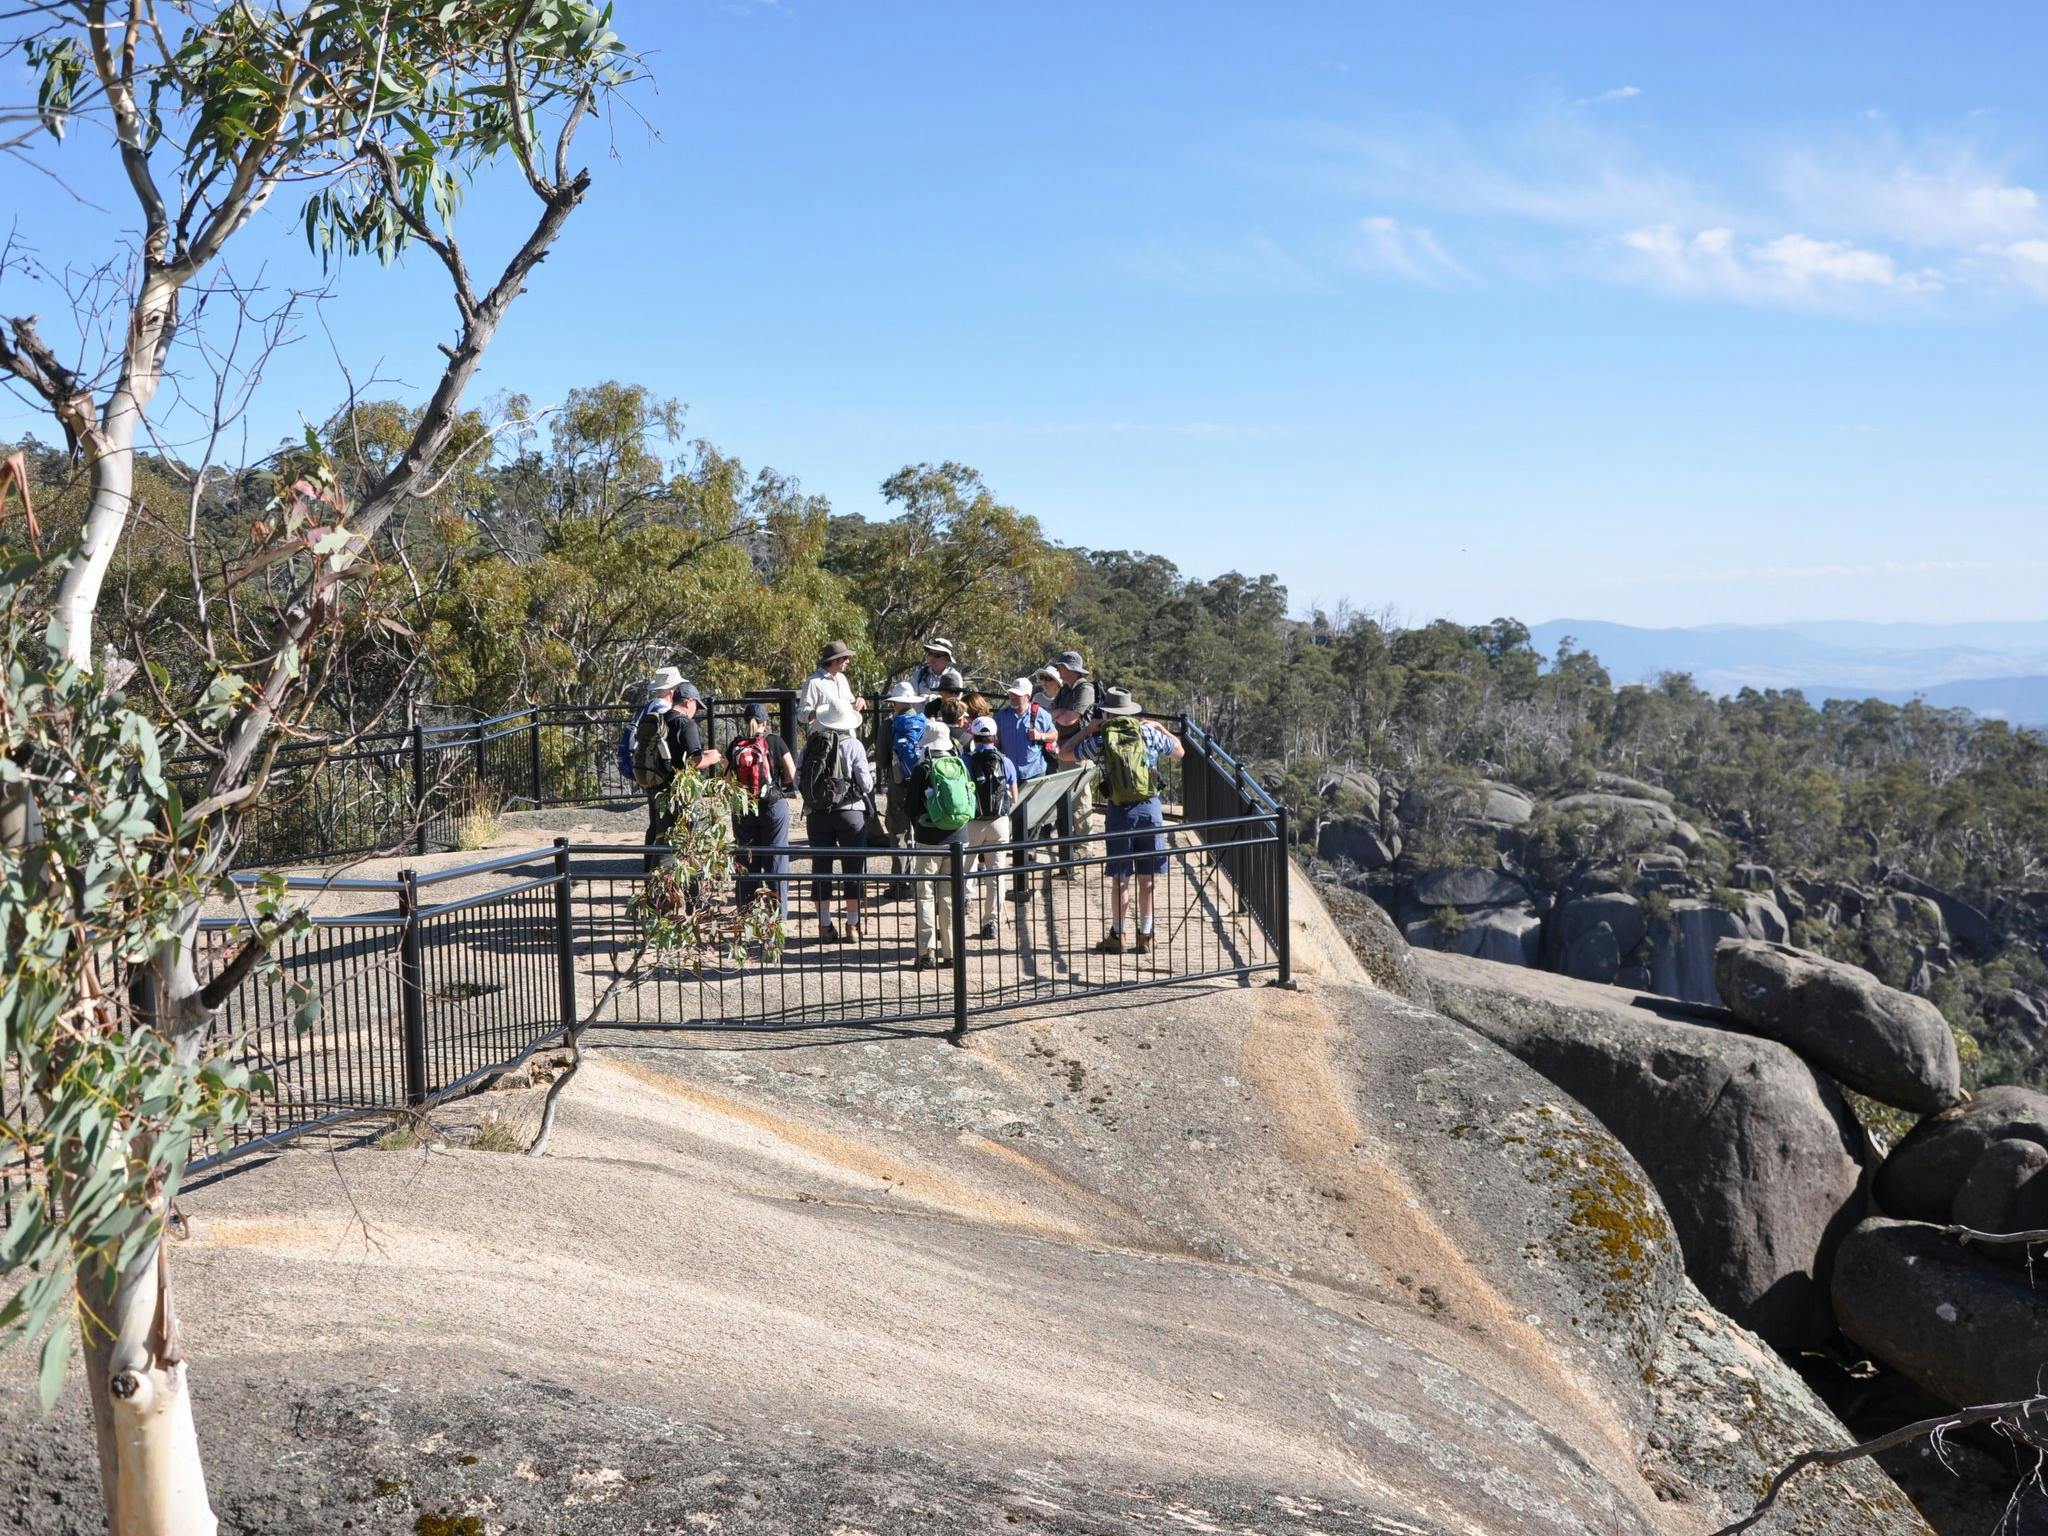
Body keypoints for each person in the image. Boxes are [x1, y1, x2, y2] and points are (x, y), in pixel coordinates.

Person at [1058, 685, 1184, 956]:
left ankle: (1118, 934)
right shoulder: (1147, 732)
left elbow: (1065, 753)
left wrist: (1087, 730)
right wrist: (1161, 727)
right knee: (1147, 877)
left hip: (1119, 810)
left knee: (1120, 876)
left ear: (1105, 713)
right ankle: (1146, 935)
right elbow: (1179, 751)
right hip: (1150, 809)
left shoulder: (1101, 740)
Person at [794, 695, 875, 942]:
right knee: (853, 868)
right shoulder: (854, 745)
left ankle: (824, 926)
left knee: (821, 867)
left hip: (817, 814)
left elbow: (799, 780)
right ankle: (852, 926)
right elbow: (867, 784)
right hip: (850, 812)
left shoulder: (811, 744)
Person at [631, 671, 721, 871]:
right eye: (696, 705)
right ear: (688, 701)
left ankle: (653, 884)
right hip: (678, 794)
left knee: (661, 835)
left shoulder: (661, 719)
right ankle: (679, 888)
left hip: (658, 787)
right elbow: (694, 761)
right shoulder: (685, 724)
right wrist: (712, 758)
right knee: (684, 839)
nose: (696, 710)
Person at [905, 719, 976, 969]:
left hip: (928, 840)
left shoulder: (922, 768)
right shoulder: (961, 765)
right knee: (950, 897)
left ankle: (926, 951)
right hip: (958, 840)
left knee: (925, 894)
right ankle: (952, 951)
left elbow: (910, 807)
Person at [726, 702, 797, 919]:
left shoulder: (736, 745)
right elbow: (791, 774)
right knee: (777, 862)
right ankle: (777, 918)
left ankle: (746, 916)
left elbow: (727, 780)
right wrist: (776, 785)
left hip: (744, 809)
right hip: (772, 807)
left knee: (746, 863)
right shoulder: (775, 741)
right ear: (765, 723)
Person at [963, 715, 1019, 940]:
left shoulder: (965, 761)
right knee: (996, 874)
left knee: (964, 871)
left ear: (974, 737)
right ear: (994, 738)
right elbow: (1014, 797)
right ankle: (990, 923)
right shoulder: (1005, 761)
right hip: (999, 823)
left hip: (972, 823)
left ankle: (959, 915)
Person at [995, 677, 1057, 880]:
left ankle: (1027, 848)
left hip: (1034, 772)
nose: (1012, 697)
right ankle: (1018, 846)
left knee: (1033, 814)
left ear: (1028, 697)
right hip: (1009, 773)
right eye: (1011, 694)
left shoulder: (1040, 715)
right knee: (1012, 811)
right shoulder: (1002, 716)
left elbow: (1054, 734)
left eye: (1017, 695)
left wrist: (1040, 736)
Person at [1048, 649, 1097, 830]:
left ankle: (1084, 844)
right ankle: (1071, 839)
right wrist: (1060, 713)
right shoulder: (1066, 690)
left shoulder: (1085, 689)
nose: (1059, 670)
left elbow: (1071, 719)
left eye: (1061, 666)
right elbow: (1053, 713)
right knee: (1068, 796)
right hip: (1063, 748)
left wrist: (1059, 713)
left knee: (1080, 797)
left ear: (1069, 668)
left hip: (1079, 750)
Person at [797, 640, 863, 732]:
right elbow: (801, 714)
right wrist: (819, 714)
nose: (848, 661)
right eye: (845, 658)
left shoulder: (842, 678)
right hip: (826, 740)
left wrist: (858, 702)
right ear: (835, 660)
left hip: (847, 738)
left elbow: (848, 706)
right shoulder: (813, 682)